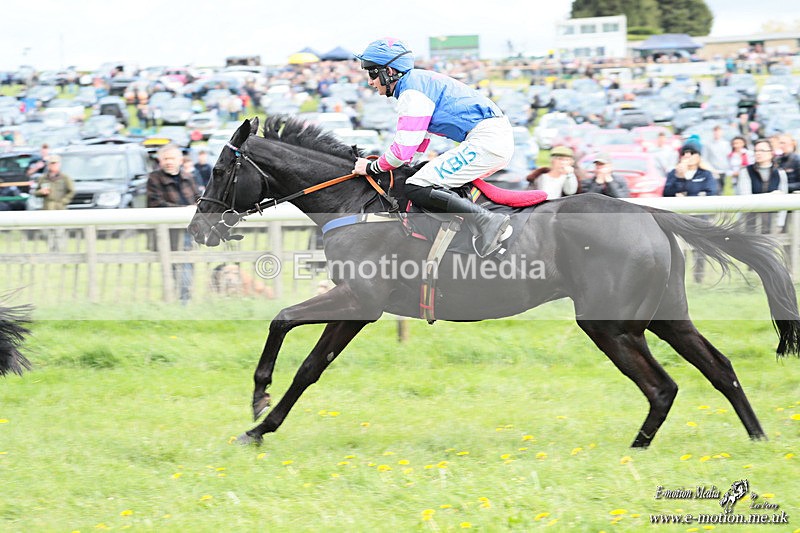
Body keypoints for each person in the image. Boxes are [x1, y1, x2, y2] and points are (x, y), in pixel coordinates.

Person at [350, 38, 513, 256]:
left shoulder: (412, 92)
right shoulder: (417, 83)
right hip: (489, 138)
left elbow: (401, 152)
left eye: (372, 73)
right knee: (422, 177)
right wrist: (406, 164)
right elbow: (420, 141)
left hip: (487, 140)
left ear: (389, 71)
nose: (370, 82)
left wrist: (371, 167)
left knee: (417, 185)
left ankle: (488, 221)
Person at [147, 144, 200, 304]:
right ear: (160, 161)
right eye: (165, 158)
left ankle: (185, 298)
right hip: (167, 230)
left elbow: (198, 198)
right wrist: (183, 210)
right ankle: (180, 298)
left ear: (180, 160)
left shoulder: (188, 177)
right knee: (172, 264)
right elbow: (155, 203)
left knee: (187, 261)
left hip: (188, 228)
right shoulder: (154, 178)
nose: (169, 162)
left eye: (172, 158)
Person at [663, 138, 718, 282]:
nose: (687, 156)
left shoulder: (705, 174)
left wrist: (687, 194)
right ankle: (679, 279)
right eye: (684, 153)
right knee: (679, 250)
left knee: (700, 250)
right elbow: (667, 193)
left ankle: (698, 279)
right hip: (678, 219)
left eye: (692, 153)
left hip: (699, 218)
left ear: (699, 156)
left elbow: (711, 192)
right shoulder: (673, 174)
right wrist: (680, 178)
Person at [737, 138, 788, 234]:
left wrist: (780, 224)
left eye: (762, 150)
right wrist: (771, 195)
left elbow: (784, 202)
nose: (758, 153)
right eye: (756, 151)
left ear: (771, 153)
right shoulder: (746, 171)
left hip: (772, 222)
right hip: (750, 223)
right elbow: (746, 198)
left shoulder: (780, 173)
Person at [35, 154, 75, 251]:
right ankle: (51, 251)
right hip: (47, 209)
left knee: (59, 232)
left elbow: (71, 191)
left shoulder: (65, 178)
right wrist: (41, 192)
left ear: (59, 164)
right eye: (51, 164)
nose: (53, 166)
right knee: (47, 232)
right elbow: (35, 192)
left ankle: (60, 251)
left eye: (55, 163)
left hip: (59, 209)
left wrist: (63, 202)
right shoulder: (43, 178)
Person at [704, 125, 731, 191]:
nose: (717, 133)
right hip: (714, 171)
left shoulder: (726, 144)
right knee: (717, 190)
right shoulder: (708, 144)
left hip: (725, 171)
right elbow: (704, 158)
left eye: (719, 132)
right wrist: (711, 170)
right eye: (715, 132)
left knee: (725, 190)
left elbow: (729, 157)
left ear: (722, 132)